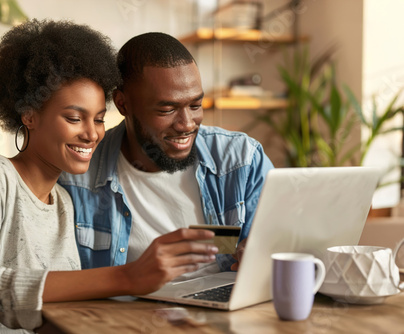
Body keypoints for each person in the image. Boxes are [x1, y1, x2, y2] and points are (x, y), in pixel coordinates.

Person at [0, 21, 218, 334]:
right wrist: (127, 277)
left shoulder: (63, 203)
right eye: (74, 118)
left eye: (99, 119)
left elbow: (51, 312)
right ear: (29, 114)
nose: (91, 134)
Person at [59, 32, 274, 276]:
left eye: (195, 105)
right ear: (122, 104)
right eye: (168, 109)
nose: (186, 124)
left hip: (223, 304)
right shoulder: (77, 175)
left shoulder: (242, 160)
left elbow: (278, 242)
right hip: (126, 311)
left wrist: (261, 251)